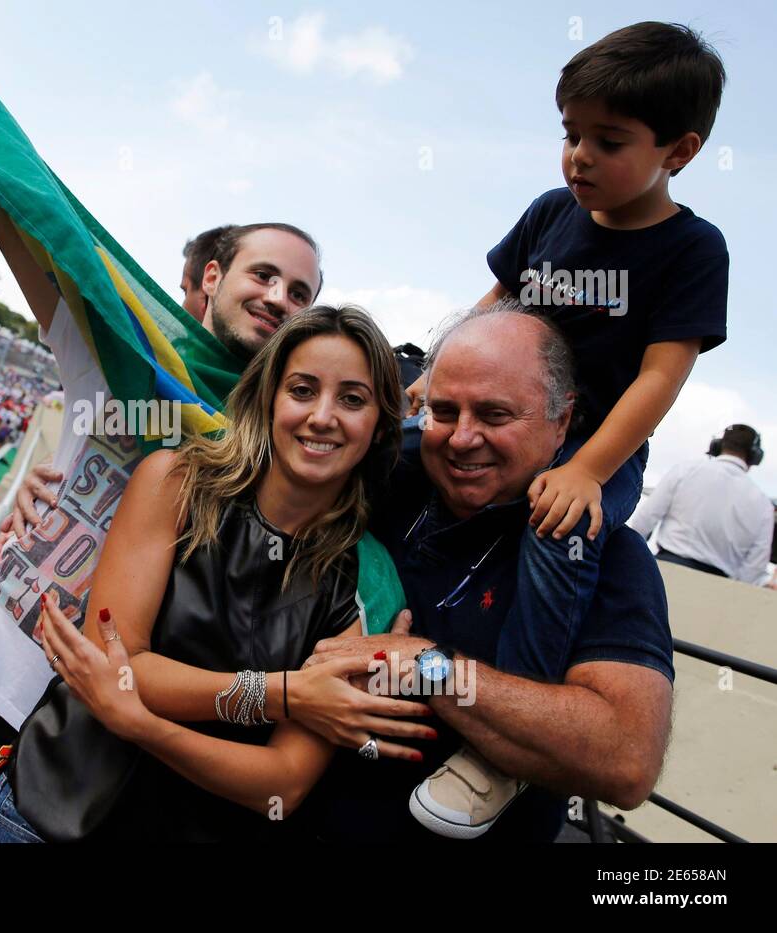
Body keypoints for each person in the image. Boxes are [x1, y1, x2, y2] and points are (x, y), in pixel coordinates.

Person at [0, 17, 324, 842]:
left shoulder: (280, 435)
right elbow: (24, 219)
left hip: (98, 732)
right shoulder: (116, 350)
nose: (279, 299)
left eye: (301, 293)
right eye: (265, 274)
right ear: (214, 278)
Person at [397, 22, 728, 832]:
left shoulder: (692, 248)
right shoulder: (550, 214)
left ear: (678, 151)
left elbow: (661, 376)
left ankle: (499, 756)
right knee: (382, 445)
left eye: (606, 140)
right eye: (570, 134)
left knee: (559, 532)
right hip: (504, 413)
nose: (578, 155)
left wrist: (586, 471)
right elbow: (495, 306)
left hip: (594, 446)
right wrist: (430, 380)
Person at [0, 304, 413, 843]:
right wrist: (286, 693)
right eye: (301, 389)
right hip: (40, 816)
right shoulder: (175, 481)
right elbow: (118, 661)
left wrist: (140, 725)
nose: (322, 415)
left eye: (352, 399)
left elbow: (283, 786)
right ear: (268, 397)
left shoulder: (369, 580)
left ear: (382, 423)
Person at [295, 303, 674, 842]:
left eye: (496, 416)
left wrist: (425, 665)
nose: (462, 438)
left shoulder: (605, 553)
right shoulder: (378, 484)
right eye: (444, 412)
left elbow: (625, 759)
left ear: (562, 419)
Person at [629, 424, 773, 584]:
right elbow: (754, 568)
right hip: (719, 588)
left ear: (717, 446)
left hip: (663, 572)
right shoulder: (763, 504)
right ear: (755, 457)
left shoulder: (684, 471)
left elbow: (643, 523)